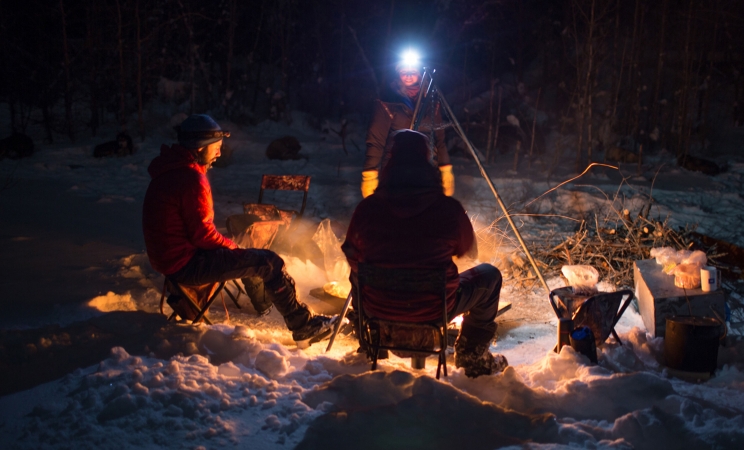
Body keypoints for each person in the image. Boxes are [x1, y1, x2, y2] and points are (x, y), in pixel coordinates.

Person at [142, 114, 334, 348]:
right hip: (187, 265)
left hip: (171, 261)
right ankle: (302, 326)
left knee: (252, 256)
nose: (219, 154)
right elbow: (203, 235)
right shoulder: (190, 179)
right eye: (216, 148)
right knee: (269, 262)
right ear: (199, 147)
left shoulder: (169, 172)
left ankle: (283, 311)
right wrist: (234, 248)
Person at [343, 130, 507, 378]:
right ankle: (472, 355)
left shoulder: (368, 209)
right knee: (490, 276)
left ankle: (369, 342)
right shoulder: (448, 209)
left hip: (378, 309)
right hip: (433, 310)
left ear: (390, 163)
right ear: (427, 161)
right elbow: (466, 251)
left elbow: (351, 254)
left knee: (358, 274)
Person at [361, 60, 454, 199]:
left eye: (413, 72)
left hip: (427, 169)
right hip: (395, 169)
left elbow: (439, 138)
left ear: (421, 73)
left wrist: (445, 169)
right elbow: (376, 141)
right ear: (398, 74)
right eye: (404, 72)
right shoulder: (387, 102)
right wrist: (370, 175)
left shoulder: (432, 101)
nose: (409, 75)